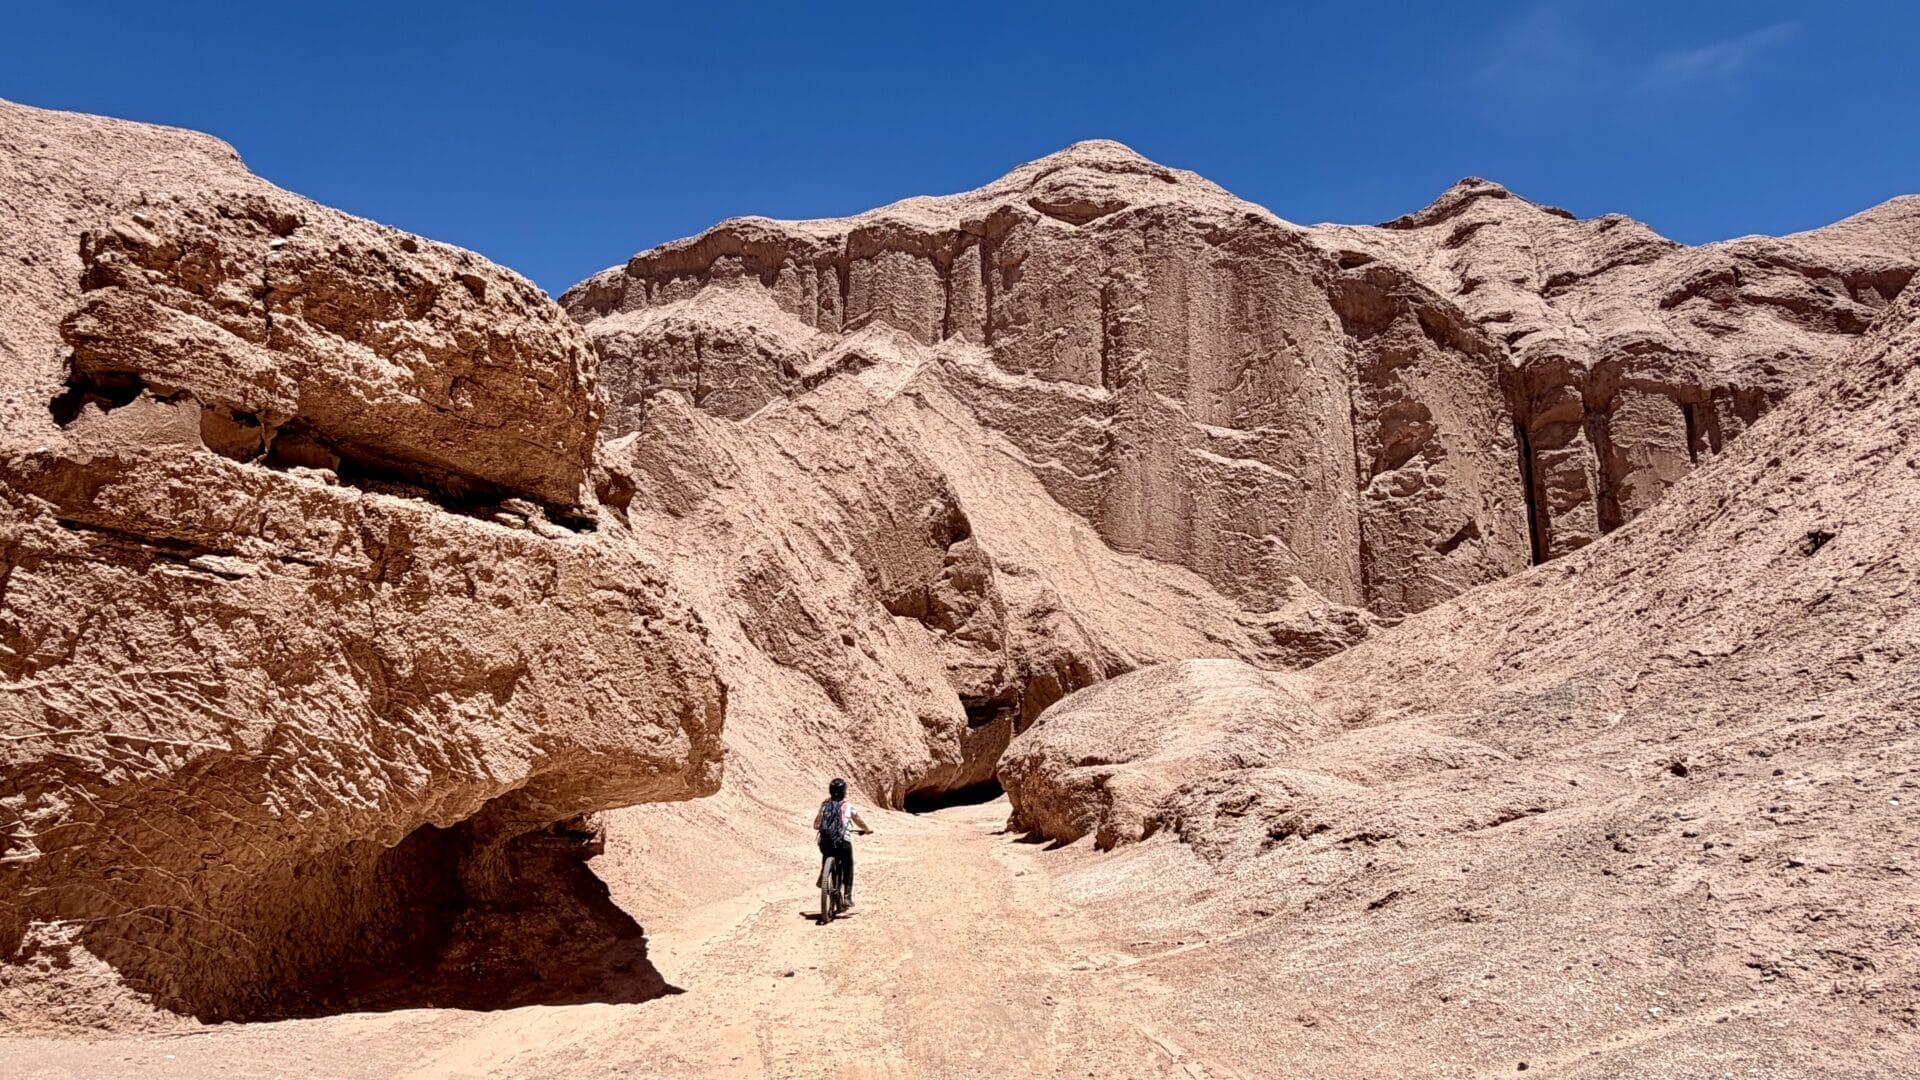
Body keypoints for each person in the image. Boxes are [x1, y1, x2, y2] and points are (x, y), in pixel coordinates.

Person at [813, 777, 872, 908]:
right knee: (848, 866)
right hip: (843, 842)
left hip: (826, 842)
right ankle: (847, 896)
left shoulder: (824, 805)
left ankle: (823, 874)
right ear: (844, 791)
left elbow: (816, 825)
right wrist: (866, 830)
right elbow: (858, 821)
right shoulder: (847, 806)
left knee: (827, 851)